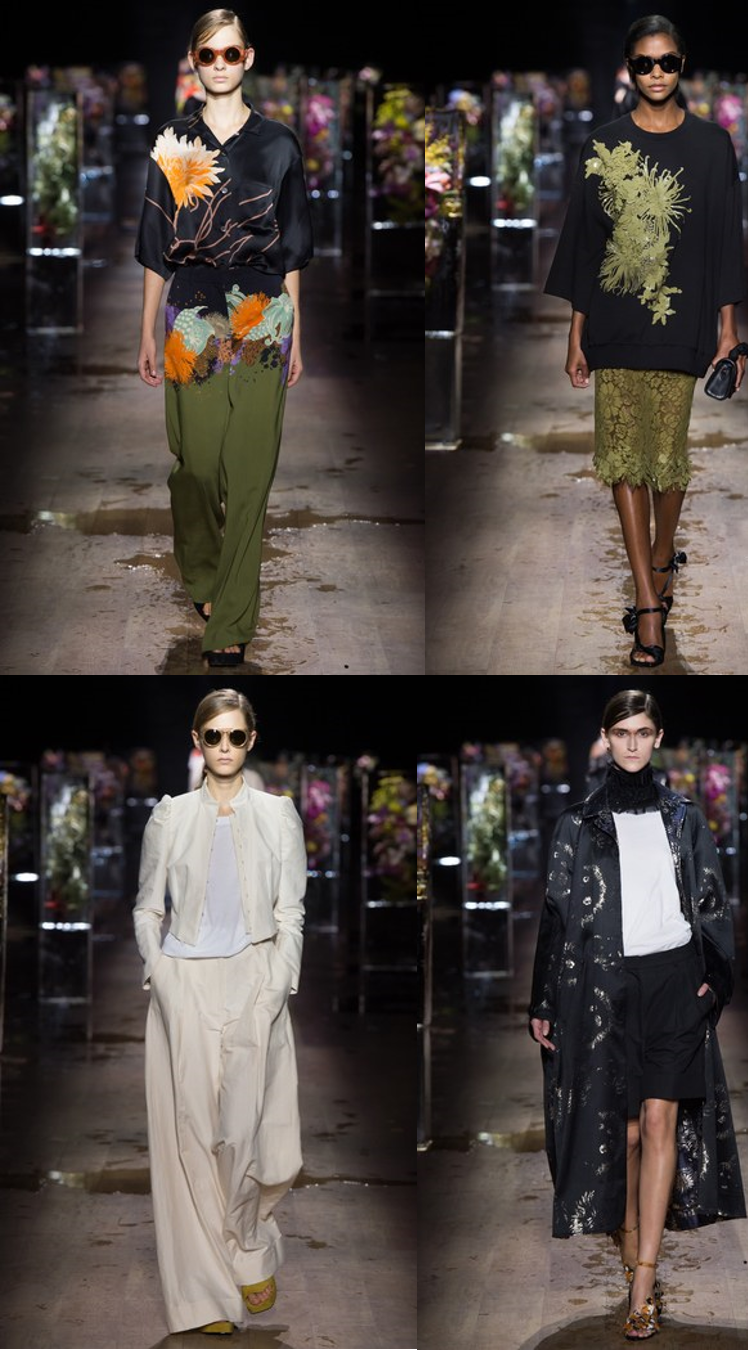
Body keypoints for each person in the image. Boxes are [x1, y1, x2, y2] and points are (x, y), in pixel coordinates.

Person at [529, 689, 745, 1339]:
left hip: (674, 984)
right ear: (605, 738)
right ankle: (628, 1236)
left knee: (658, 1122)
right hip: (604, 989)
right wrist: (543, 999)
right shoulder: (577, 823)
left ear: (658, 738)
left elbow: (712, 900)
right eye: (620, 732)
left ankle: (644, 1283)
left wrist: (714, 980)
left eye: (642, 732)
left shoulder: (684, 818)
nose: (631, 743)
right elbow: (555, 913)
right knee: (623, 1134)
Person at [543, 15, 748, 668]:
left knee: (666, 456)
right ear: (627, 69)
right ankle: (647, 599)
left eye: (666, 62)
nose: (655, 73)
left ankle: (661, 558)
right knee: (623, 459)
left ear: (682, 64)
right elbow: (585, 244)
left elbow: (725, 239)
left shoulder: (713, 145)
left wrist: (728, 331)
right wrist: (576, 334)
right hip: (614, 320)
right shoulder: (601, 145)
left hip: (682, 320)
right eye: (643, 63)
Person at [136, 9, 312, 668]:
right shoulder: (174, 143)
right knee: (196, 467)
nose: (219, 65)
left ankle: (232, 617)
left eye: (229, 53)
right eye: (207, 54)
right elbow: (156, 242)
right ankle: (204, 571)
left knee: (250, 470)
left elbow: (293, 248)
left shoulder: (280, 144)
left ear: (248, 58)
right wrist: (145, 331)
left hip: (264, 313)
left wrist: (300, 334)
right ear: (193, 60)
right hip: (191, 311)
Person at [134, 688, 307, 1334]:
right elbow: (147, 907)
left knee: (251, 1136)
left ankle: (248, 1242)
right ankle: (206, 1293)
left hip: (255, 980)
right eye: (214, 736)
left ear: (251, 740)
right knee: (189, 1140)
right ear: (197, 741)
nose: (225, 747)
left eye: (236, 735)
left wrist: (278, 984)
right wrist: (162, 973)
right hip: (186, 984)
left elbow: (291, 911)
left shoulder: (278, 814)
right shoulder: (170, 816)